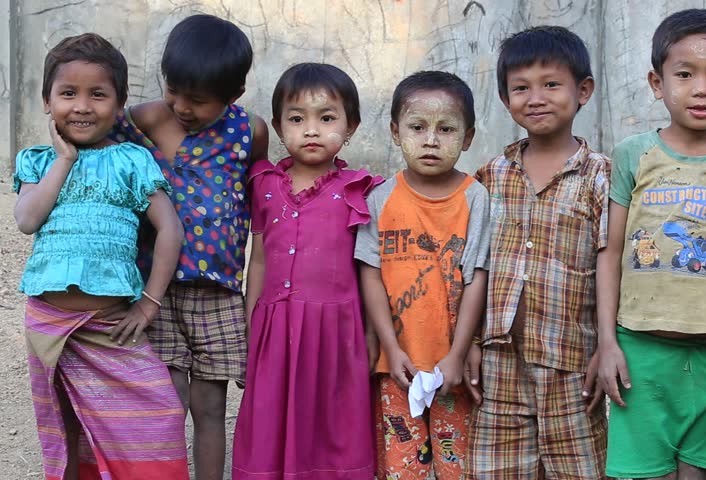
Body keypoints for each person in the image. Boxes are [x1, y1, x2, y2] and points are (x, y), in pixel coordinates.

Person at [13, 33, 188, 480]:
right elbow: (27, 219)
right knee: (63, 423)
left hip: (111, 324)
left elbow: (170, 228)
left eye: (98, 94)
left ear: (120, 102)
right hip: (50, 323)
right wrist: (64, 161)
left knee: (159, 418)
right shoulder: (37, 161)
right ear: (47, 102)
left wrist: (150, 302)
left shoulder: (132, 159)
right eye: (68, 93)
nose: (83, 106)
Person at [596, 9, 706, 479]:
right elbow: (611, 253)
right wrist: (608, 342)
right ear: (657, 82)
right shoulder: (633, 154)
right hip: (639, 349)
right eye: (684, 74)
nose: (701, 88)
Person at [110, 14, 269, 479]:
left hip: (218, 291)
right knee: (168, 400)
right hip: (155, 289)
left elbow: (258, 193)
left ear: (233, 96)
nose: (180, 105)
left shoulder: (249, 132)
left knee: (210, 404)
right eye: (172, 89)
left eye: (197, 100)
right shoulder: (142, 119)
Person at [463, 26, 610, 479]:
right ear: (506, 100)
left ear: (583, 91)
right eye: (521, 88)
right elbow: (475, 266)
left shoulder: (601, 177)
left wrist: (607, 345)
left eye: (551, 84)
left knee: (581, 470)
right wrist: (467, 341)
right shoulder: (490, 175)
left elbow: (611, 262)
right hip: (499, 361)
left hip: (573, 362)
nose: (536, 97)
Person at [231, 62, 381, 479]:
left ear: (351, 126)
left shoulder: (361, 190)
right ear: (279, 128)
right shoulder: (263, 184)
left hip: (337, 331)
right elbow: (258, 259)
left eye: (327, 118)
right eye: (297, 119)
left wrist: (370, 334)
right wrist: (250, 327)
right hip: (275, 327)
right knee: (269, 418)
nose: (311, 130)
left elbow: (370, 268)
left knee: (332, 421)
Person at [356, 70, 489, 479]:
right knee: (401, 468)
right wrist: (390, 349)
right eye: (418, 127)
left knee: (458, 468)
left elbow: (476, 279)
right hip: (397, 366)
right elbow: (371, 275)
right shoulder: (379, 198)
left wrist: (458, 351)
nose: (431, 140)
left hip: (454, 368)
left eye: (446, 129)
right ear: (396, 132)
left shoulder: (474, 197)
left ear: (467, 138)